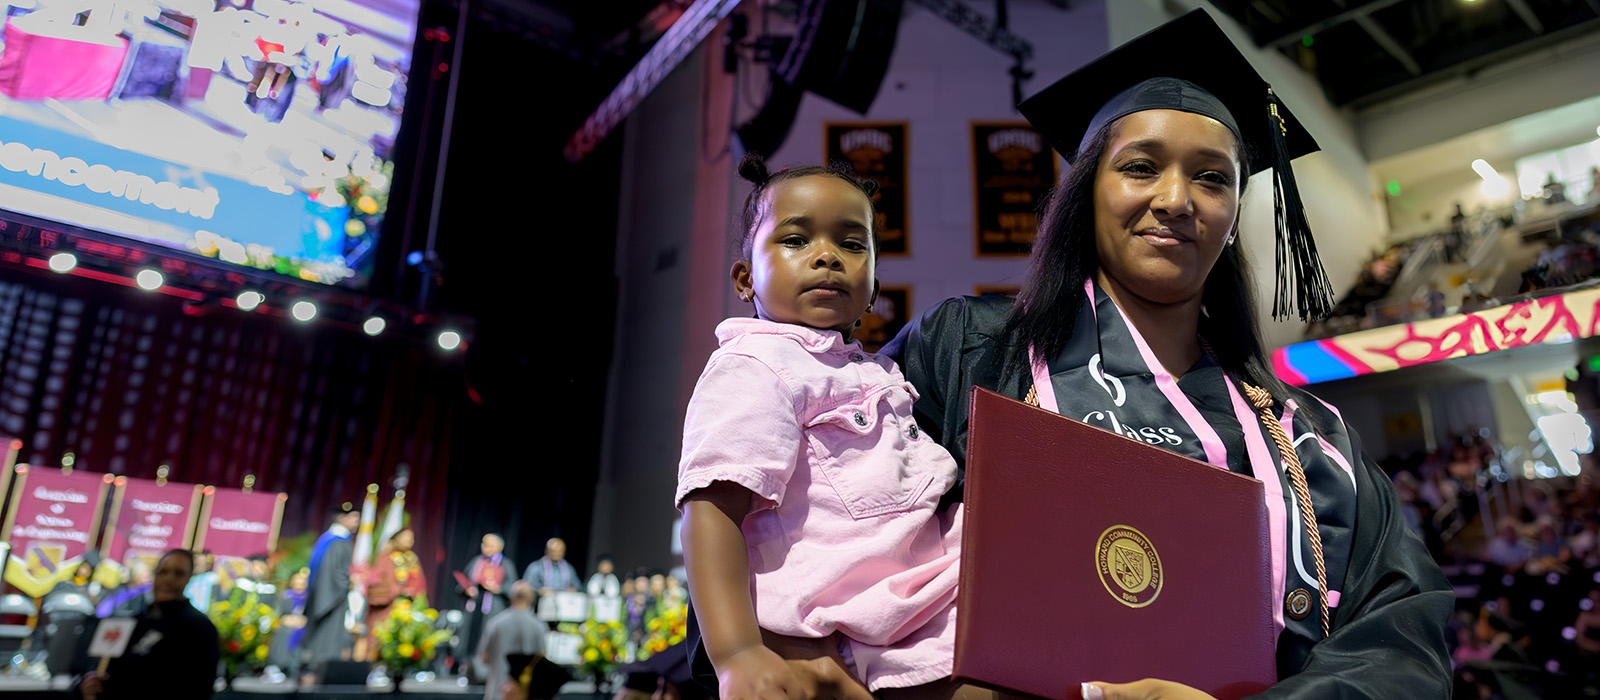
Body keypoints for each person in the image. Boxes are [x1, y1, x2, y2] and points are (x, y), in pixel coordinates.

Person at [881, 10, 1453, 699]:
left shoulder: (1314, 442)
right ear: (1087, 191)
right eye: (1140, 168)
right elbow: (826, 513)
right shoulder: (971, 350)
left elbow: (1401, 647)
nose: (1177, 199)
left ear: (1234, 214)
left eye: (1212, 178)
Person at [677, 153, 962, 700]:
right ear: (745, 279)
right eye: (795, 240)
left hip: (929, 590)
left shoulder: (878, 372)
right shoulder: (756, 366)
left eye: (852, 244)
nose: (827, 255)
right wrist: (737, 653)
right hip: (864, 625)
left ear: (873, 288)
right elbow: (711, 508)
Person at [72, 549, 220, 699]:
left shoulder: (200, 628)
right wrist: (89, 685)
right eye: (163, 572)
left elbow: (200, 688)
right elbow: (106, 669)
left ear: (189, 578)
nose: (169, 579)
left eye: (178, 573)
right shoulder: (134, 621)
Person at [304, 504, 360, 667]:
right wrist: (348, 583)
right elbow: (334, 573)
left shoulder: (328, 539)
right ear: (342, 518)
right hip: (331, 596)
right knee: (328, 634)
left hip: (324, 593)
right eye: (354, 518)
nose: (357, 522)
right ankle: (320, 668)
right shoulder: (337, 541)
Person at [477, 581, 545, 700]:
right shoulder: (539, 626)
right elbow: (542, 660)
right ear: (531, 599)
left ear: (511, 597)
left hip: (497, 692)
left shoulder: (495, 623)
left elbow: (484, 658)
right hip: (524, 694)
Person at [459, 533, 516, 674]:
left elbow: (513, 587)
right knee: (469, 638)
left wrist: (499, 588)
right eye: (484, 544)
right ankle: (467, 668)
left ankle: (486, 671)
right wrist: (467, 589)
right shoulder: (476, 562)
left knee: (489, 639)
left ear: (499, 547)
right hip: (474, 607)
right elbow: (463, 581)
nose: (486, 548)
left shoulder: (505, 564)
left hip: (494, 608)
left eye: (490, 545)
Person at [366, 528, 427, 659]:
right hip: (389, 608)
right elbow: (378, 584)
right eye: (405, 537)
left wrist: (416, 593)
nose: (409, 541)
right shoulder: (385, 558)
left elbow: (420, 582)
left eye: (411, 538)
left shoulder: (412, 560)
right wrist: (399, 590)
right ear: (395, 539)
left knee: (405, 646)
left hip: (408, 609)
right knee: (381, 643)